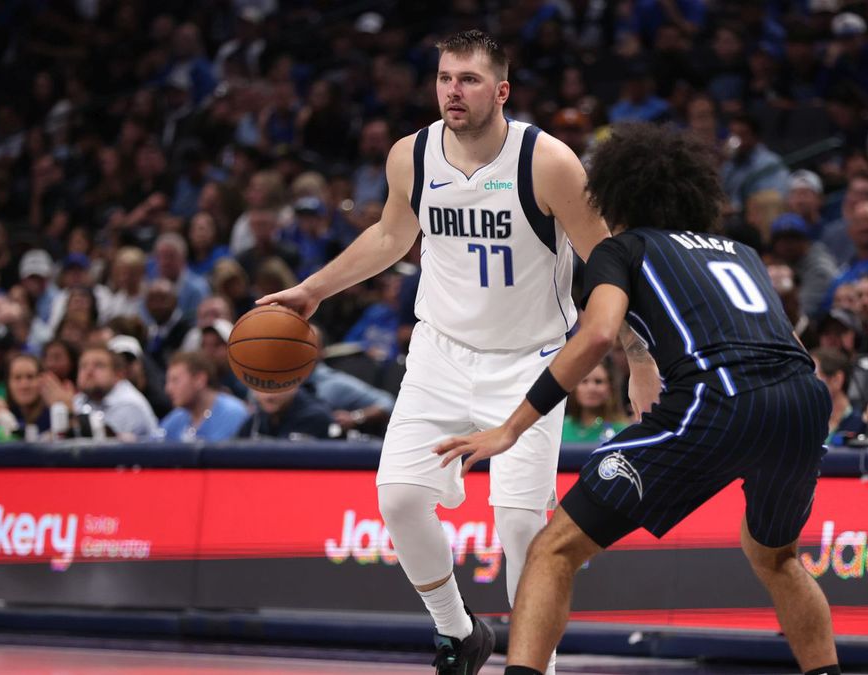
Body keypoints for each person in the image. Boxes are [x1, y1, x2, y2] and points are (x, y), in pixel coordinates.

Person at [256, 31, 660, 675]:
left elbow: (605, 260)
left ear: (501, 90)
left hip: (530, 360)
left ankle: (535, 669)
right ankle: (459, 632)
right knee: (398, 498)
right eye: (445, 78)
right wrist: (313, 290)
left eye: (469, 80)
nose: (453, 91)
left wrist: (638, 355)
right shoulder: (411, 156)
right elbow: (391, 234)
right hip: (440, 353)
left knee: (521, 528)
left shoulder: (546, 161)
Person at [434, 122, 840, 675]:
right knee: (777, 556)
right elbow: (793, 349)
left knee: (553, 550)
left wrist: (512, 426)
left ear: (615, 195)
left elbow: (598, 334)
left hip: (721, 397)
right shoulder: (740, 250)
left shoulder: (621, 248)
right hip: (804, 402)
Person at [159, 351, 248, 442]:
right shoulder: (178, 416)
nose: (168, 389)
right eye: (168, 381)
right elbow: (153, 446)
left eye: (175, 380)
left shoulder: (232, 413)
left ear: (199, 380)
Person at [561, 357, 627, 443]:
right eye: (584, 381)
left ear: (610, 388)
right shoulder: (560, 427)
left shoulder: (622, 431)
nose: (591, 388)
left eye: (598, 382)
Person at [239, 381, 333, 440]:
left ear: (295, 384)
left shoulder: (315, 417)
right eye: (262, 386)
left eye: (278, 386)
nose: (269, 396)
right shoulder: (257, 417)